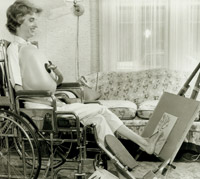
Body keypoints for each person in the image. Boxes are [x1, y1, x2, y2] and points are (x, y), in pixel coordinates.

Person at [6, 0, 162, 155]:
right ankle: (143, 143)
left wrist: (56, 73)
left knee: (99, 120)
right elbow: (18, 89)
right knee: (101, 109)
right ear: (18, 20)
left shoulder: (32, 48)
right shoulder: (14, 49)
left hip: (52, 104)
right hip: (41, 109)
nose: (36, 25)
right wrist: (49, 100)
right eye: (31, 20)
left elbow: (55, 81)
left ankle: (116, 161)